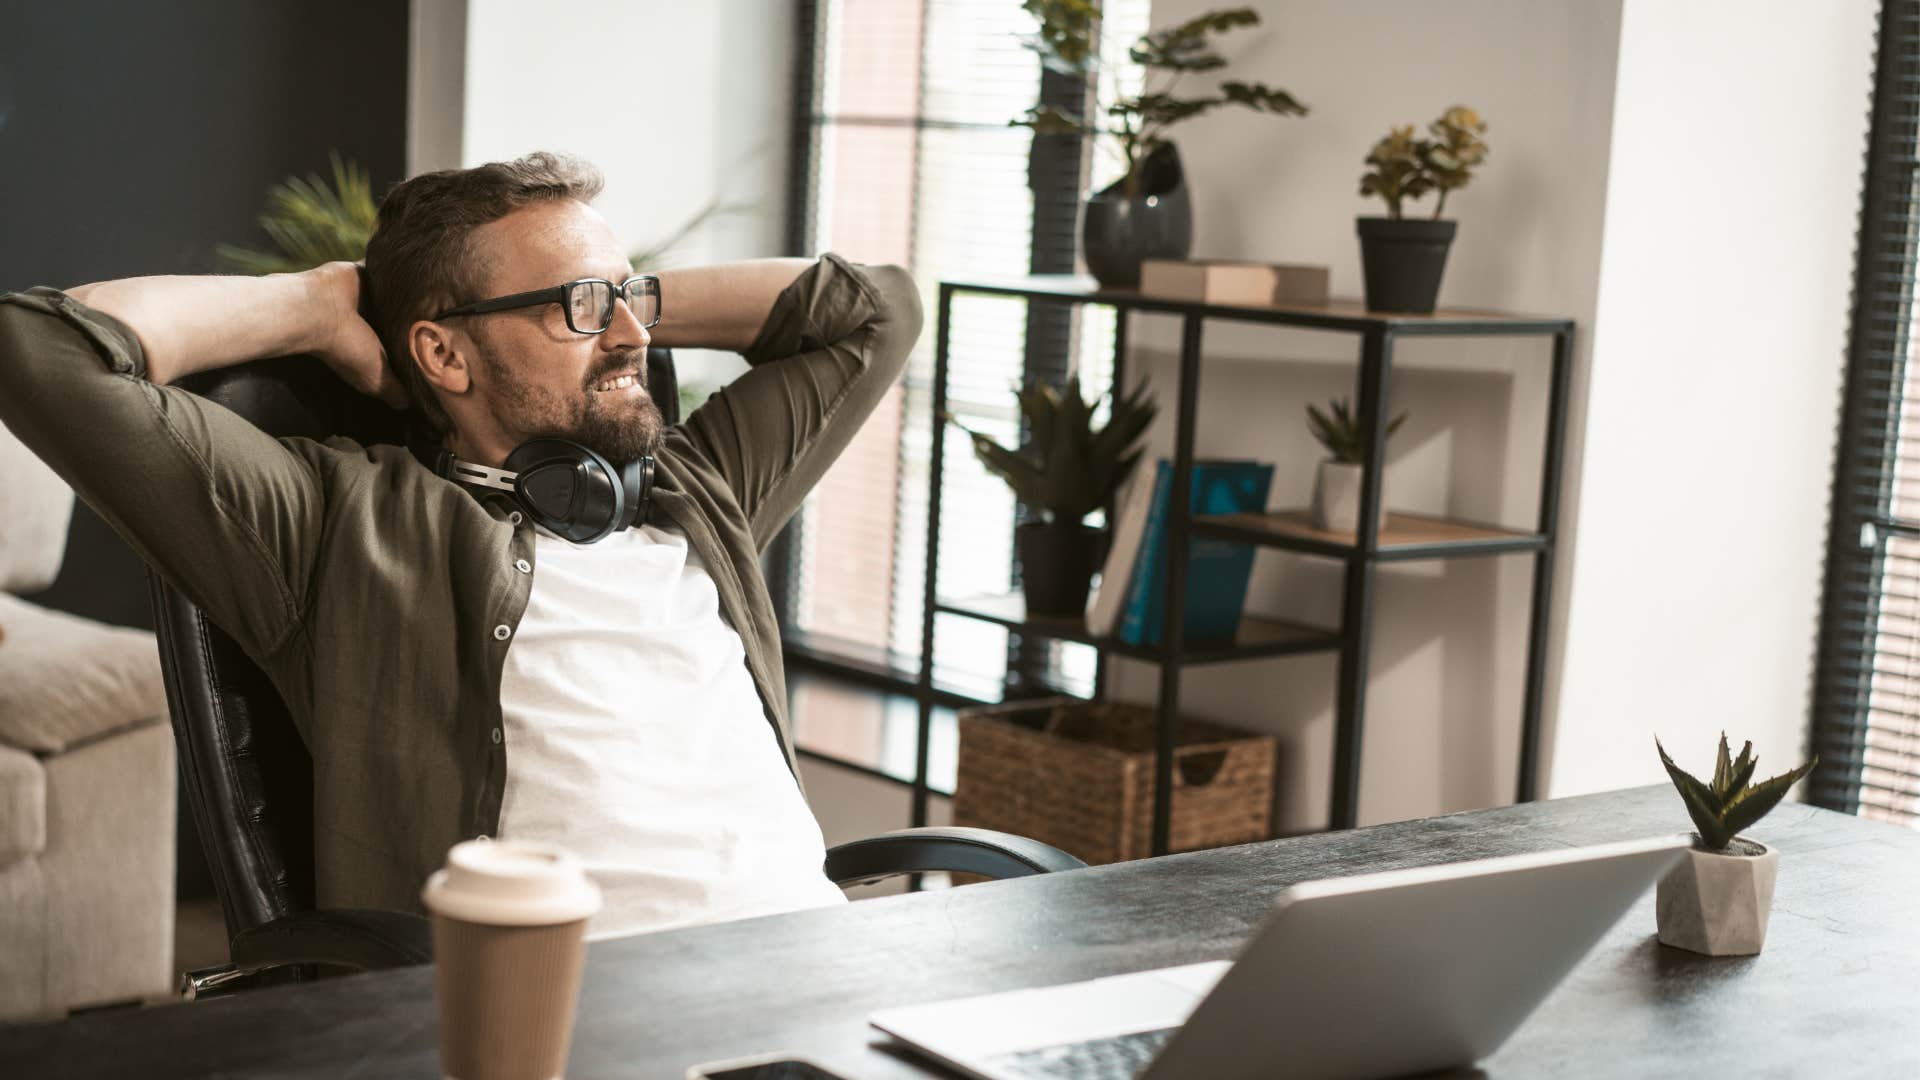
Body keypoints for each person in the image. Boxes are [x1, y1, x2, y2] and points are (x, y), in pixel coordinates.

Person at [0, 152, 922, 938]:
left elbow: (878, 311)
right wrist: (319, 305)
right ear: (443, 356)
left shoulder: (694, 490)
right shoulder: (336, 525)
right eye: (585, 304)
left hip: (817, 985)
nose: (636, 335)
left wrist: (616, 302)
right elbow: (38, 348)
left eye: (630, 296)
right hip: (573, 1026)